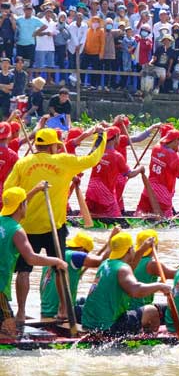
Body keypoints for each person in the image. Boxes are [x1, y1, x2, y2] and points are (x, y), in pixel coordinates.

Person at [4, 125, 105, 324]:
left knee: (24, 270)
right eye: (56, 146)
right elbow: (92, 159)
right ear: (52, 147)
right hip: (53, 226)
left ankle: (22, 313)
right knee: (61, 267)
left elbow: (8, 189)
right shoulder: (63, 161)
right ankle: (63, 310)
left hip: (27, 226)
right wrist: (101, 135)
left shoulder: (23, 163)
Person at [0, 185, 69, 333]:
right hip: (0, 288)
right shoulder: (17, 230)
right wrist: (57, 261)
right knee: (10, 333)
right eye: (25, 203)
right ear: (21, 206)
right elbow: (31, 258)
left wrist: (37, 189)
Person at [79, 231, 172, 335]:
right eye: (132, 248)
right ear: (129, 250)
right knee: (152, 311)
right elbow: (136, 291)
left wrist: (141, 250)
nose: (134, 249)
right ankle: (149, 340)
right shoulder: (123, 268)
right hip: (109, 326)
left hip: (89, 323)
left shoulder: (106, 263)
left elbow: (130, 269)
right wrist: (160, 286)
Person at [39, 229, 111, 320]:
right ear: (82, 250)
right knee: (99, 305)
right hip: (57, 311)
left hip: (45, 310)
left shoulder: (55, 254)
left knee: (82, 300)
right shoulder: (75, 256)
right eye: (87, 254)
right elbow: (100, 261)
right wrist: (110, 245)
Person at [85, 126, 144, 217]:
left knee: (88, 214)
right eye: (119, 137)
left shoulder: (96, 151)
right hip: (105, 194)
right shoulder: (117, 156)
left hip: (91, 190)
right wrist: (140, 169)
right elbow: (130, 174)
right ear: (116, 137)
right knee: (117, 218)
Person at [135, 128, 179, 217]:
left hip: (149, 188)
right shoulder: (175, 158)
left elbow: (161, 142)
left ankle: (142, 217)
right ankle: (155, 218)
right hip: (163, 193)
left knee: (141, 209)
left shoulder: (155, 148)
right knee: (167, 218)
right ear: (176, 140)